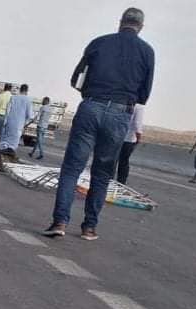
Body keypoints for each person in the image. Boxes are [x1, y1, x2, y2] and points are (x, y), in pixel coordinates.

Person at [41, 7, 154, 242]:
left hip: (91, 105)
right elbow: (144, 94)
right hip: (120, 112)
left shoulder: (99, 43)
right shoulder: (147, 51)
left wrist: (92, 92)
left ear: (121, 22)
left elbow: (76, 79)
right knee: (102, 172)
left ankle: (60, 222)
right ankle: (89, 227)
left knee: (72, 167)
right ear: (141, 27)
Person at [0, 83, 32, 160]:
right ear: (26, 91)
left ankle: (1, 157)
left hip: (9, 122)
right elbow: (29, 115)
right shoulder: (28, 100)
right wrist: (25, 122)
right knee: (14, 144)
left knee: (6, 140)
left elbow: (7, 110)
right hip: (19, 125)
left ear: (20, 90)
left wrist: (5, 121)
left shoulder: (13, 97)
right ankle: (8, 159)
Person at [115, 102, 145, 184]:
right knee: (124, 161)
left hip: (117, 136)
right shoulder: (139, 107)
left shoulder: (124, 101)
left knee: (113, 160)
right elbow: (137, 124)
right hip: (129, 139)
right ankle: (121, 182)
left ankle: (107, 180)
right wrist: (138, 138)